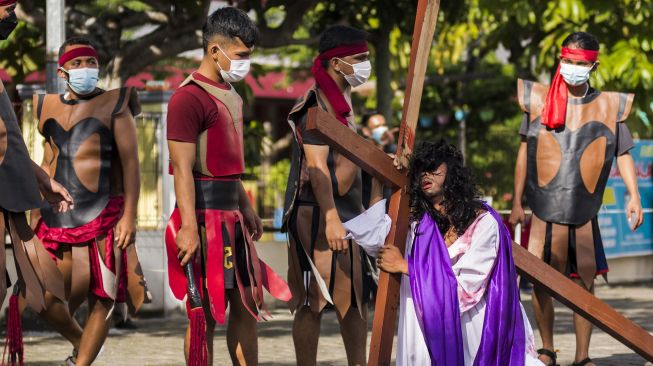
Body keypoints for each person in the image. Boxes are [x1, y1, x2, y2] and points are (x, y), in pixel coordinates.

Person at [509, 31, 643, 366]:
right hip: (542, 208)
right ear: (560, 59)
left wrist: (634, 195)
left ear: (593, 65)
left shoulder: (610, 106)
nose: (572, 68)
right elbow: (524, 152)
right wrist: (516, 203)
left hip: (583, 209)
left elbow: (623, 152)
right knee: (541, 280)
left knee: (584, 282)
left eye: (580, 64)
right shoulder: (538, 101)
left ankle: (583, 356)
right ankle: (548, 348)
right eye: (568, 61)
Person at [165, 7, 289, 366]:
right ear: (214, 50)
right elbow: (184, 169)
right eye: (241, 55)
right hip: (202, 218)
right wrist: (189, 227)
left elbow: (228, 165)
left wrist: (246, 207)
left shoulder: (231, 93)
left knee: (245, 306)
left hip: (231, 216)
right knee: (203, 311)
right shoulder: (187, 98)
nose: (246, 63)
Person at [31, 37, 148, 366]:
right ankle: (82, 342)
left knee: (103, 298)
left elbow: (132, 165)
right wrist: (34, 207)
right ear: (62, 71)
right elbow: (48, 161)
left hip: (104, 216)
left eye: (92, 63)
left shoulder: (116, 103)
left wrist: (130, 216)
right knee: (40, 295)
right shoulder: (47, 106)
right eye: (78, 64)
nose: (86, 69)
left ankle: (80, 363)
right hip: (56, 216)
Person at [377, 140, 543, 366]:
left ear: (452, 171)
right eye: (419, 170)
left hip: (476, 331)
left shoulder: (484, 223)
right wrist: (382, 176)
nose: (426, 174)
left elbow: (464, 289)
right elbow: (375, 235)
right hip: (425, 328)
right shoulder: (418, 225)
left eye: (433, 166)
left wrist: (406, 266)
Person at [282, 25, 376, 365]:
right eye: (360, 59)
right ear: (336, 64)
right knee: (312, 302)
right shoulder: (315, 103)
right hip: (317, 214)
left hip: (348, 214)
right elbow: (319, 169)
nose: (366, 65)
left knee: (353, 302)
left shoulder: (343, 100)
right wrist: (333, 218)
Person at [0, 2, 73, 363]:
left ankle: (83, 345)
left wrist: (42, 177)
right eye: (6, 8)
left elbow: (7, 139)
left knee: (27, 283)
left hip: (9, 190)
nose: (9, 18)